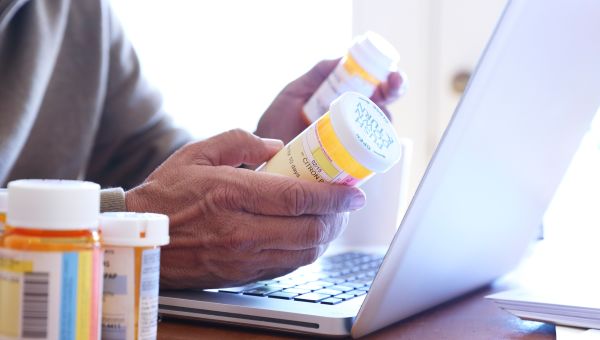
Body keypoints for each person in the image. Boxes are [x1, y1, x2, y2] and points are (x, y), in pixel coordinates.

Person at [0, 0, 404, 289]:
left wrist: (264, 165)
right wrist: (129, 228)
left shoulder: (77, 12)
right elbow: (149, 208)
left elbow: (148, 161)